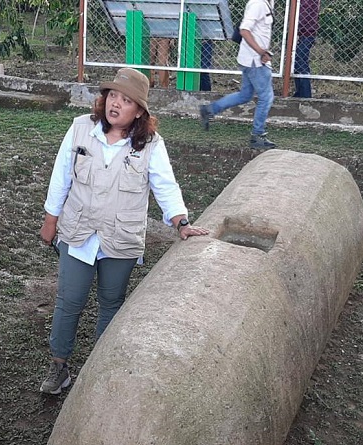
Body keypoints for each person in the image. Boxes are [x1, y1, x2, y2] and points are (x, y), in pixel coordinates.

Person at [38, 68, 210, 395]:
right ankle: (59, 365)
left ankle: (99, 372)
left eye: (126, 100)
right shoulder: (80, 130)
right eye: (113, 96)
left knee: (111, 302)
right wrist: (51, 219)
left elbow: (165, 186)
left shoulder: (149, 145)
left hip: (121, 239)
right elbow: (61, 176)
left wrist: (181, 222)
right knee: (69, 300)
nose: (116, 104)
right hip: (78, 233)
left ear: (139, 112)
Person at [199, 0, 277, 149]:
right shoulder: (258, 4)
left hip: (250, 59)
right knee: (266, 98)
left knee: (245, 95)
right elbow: (244, 30)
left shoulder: (265, 3)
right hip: (255, 61)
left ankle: (209, 110)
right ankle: (257, 135)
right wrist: (261, 52)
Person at [293, 0, 320, 98]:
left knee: (301, 62)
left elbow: (304, 15)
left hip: (306, 32)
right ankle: (300, 93)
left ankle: (305, 95)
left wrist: (295, 26)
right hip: (304, 31)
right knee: (297, 63)